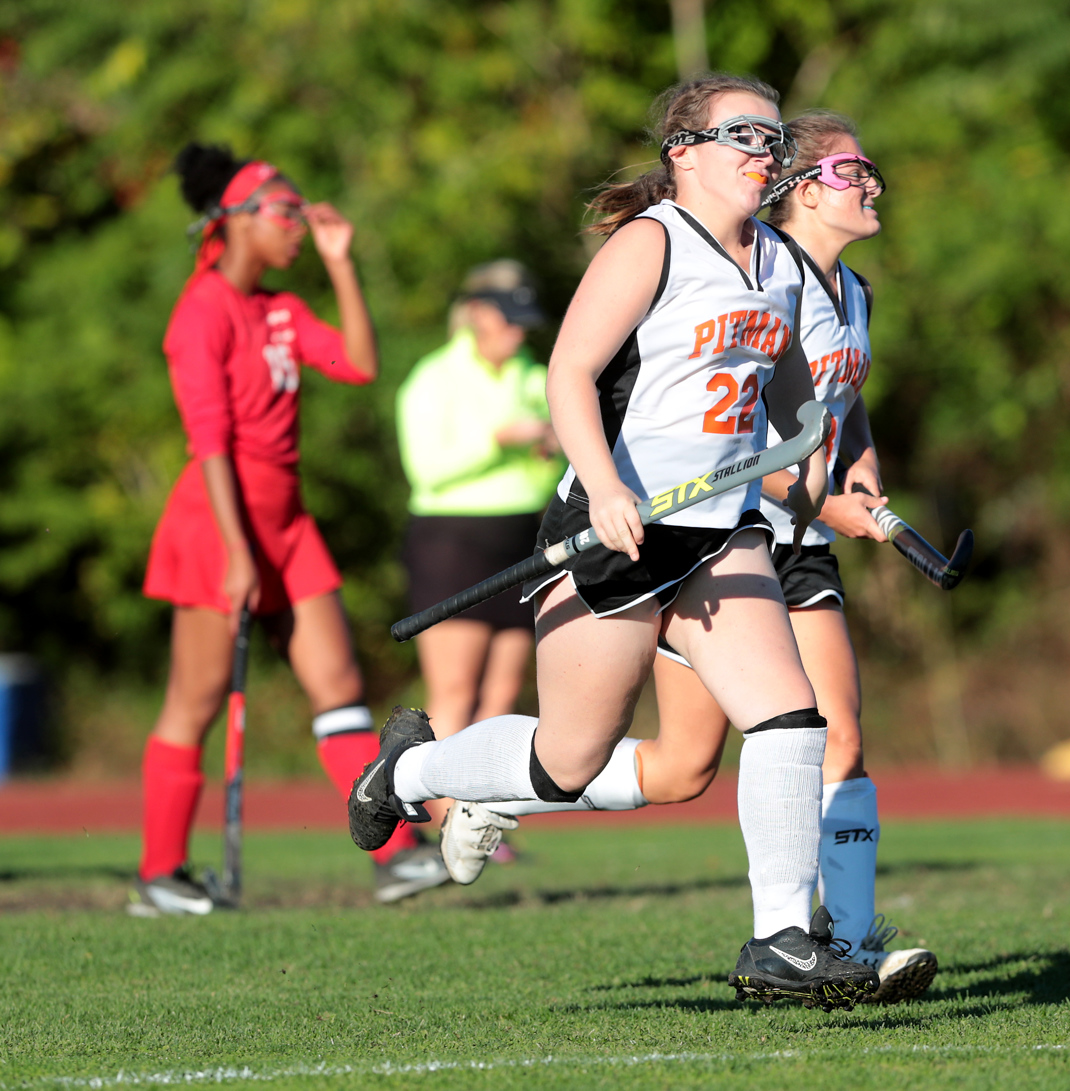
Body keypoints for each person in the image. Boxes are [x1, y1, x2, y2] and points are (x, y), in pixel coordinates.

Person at [349, 75, 878, 1010]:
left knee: (791, 719)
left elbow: (796, 397)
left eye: (774, 135)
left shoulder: (781, 264)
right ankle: (411, 768)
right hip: (618, 526)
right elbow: (570, 372)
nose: (765, 150)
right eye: (743, 134)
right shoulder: (653, 244)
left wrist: (813, 466)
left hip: (721, 531)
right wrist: (601, 487)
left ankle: (783, 940)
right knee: (568, 760)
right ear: (685, 150)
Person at [132, 143, 446, 916]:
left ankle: (395, 854)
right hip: (220, 524)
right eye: (286, 213)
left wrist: (342, 262)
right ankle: (160, 874)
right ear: (236, 220)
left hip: (288, 523)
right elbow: (208, 440)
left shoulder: (281, 308)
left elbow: (359, 363)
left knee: (338, 687)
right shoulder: (200, 311)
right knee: (194, 702)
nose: (300, 227)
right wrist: (237, 552)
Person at [395, 260, 563, 840]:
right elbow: (428, 469)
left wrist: (550, 443)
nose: (519, 334)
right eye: (509, 321)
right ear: (479, 316)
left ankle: (479, 817)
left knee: (501, 695)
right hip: (453, 541)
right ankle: (436, 815)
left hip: (524, 540)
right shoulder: (433, 378)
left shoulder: (533, 374)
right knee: (455, 691)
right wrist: (497, 441)